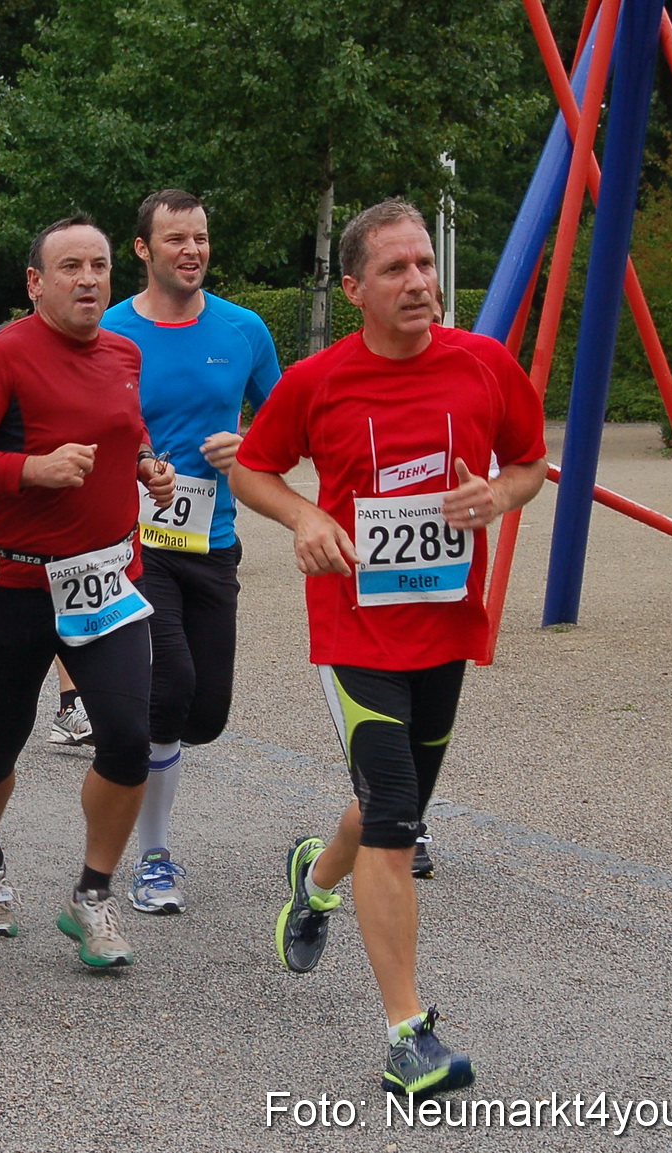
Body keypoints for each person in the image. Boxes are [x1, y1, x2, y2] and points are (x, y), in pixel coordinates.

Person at [232, 199, 547, 1097]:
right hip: (356, 628)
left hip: (446, 625)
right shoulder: (319, 380)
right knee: (400, 816)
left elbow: (528, 460)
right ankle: (408, 1034)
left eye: (424, 265)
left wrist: (500, 496)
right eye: (396, 269)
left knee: (386, 809)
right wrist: (305, 515)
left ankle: (316, 874)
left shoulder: (485, 365)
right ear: (354, 288)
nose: (418, 281)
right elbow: (256, 465)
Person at [0, 214, 175, 967]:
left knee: (129, 740)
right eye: (69, 266)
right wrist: (29, 470)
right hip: (15, 580)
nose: (88, 279)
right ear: (36, 282)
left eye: (99, 266)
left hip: (108, 578)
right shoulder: (2, 355)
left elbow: (126, 426)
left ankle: (94, 895)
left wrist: (147, 465)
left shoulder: (124, 351)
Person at [100, 189, 281, 915]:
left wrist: (252, 447)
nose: (192, 251)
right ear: (142, 249)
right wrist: (138, 456)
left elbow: (285, 422)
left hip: (213, 537)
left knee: (204, 712)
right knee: (169, 687)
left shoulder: (243, 329)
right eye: (176, 239)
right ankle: (153, 856)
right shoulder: (110, 330)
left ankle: (125, 740)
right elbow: (84, 421)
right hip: (133, 539)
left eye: (200, 238)